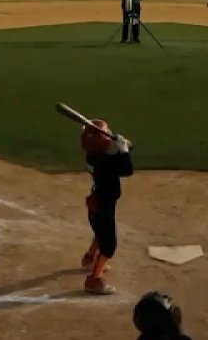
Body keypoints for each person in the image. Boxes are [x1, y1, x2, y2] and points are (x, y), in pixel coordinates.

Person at [79, 119, 133, 295]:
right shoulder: (105, 162)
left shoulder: (93, 157)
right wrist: (123, 149)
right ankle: (94, 279)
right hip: (103, 205)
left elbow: (114, 160)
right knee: (109, 244)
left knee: (100, 232)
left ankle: (90, 258)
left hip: (97, 204)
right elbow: (126, 169)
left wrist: (121, 148)